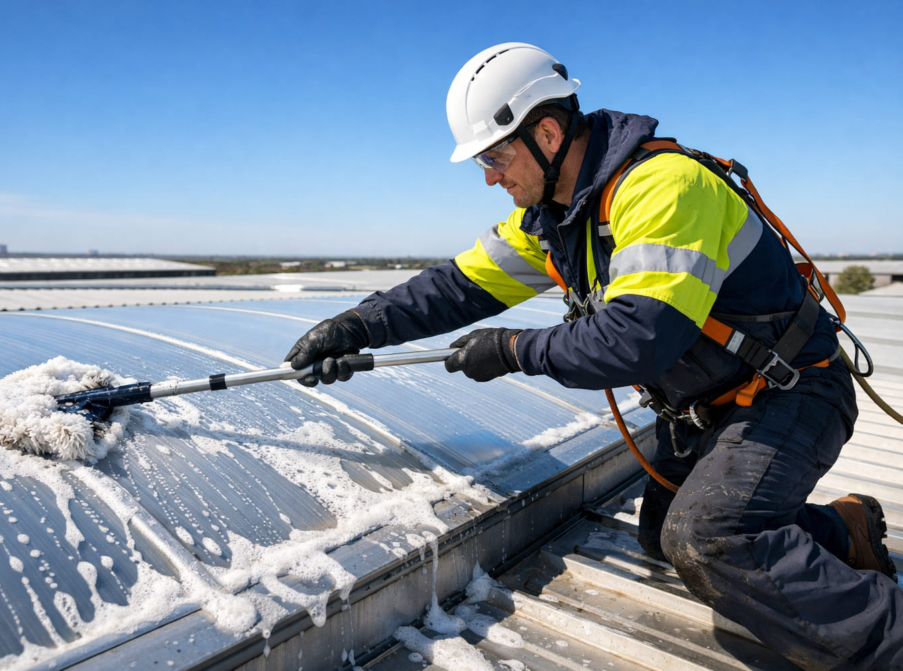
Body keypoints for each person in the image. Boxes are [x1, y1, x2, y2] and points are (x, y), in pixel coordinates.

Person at [283, 42, 901, 669]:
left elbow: (638, 338)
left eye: (495, 157)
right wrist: (357, 324)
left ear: (547, 133)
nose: (491, 178)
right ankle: (843, 529)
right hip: (710, 407)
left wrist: (515, 349)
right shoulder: (553, 219)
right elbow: (457, 288)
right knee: (665, 537)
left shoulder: (664, 186)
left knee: (708, 537)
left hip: (791, 391)